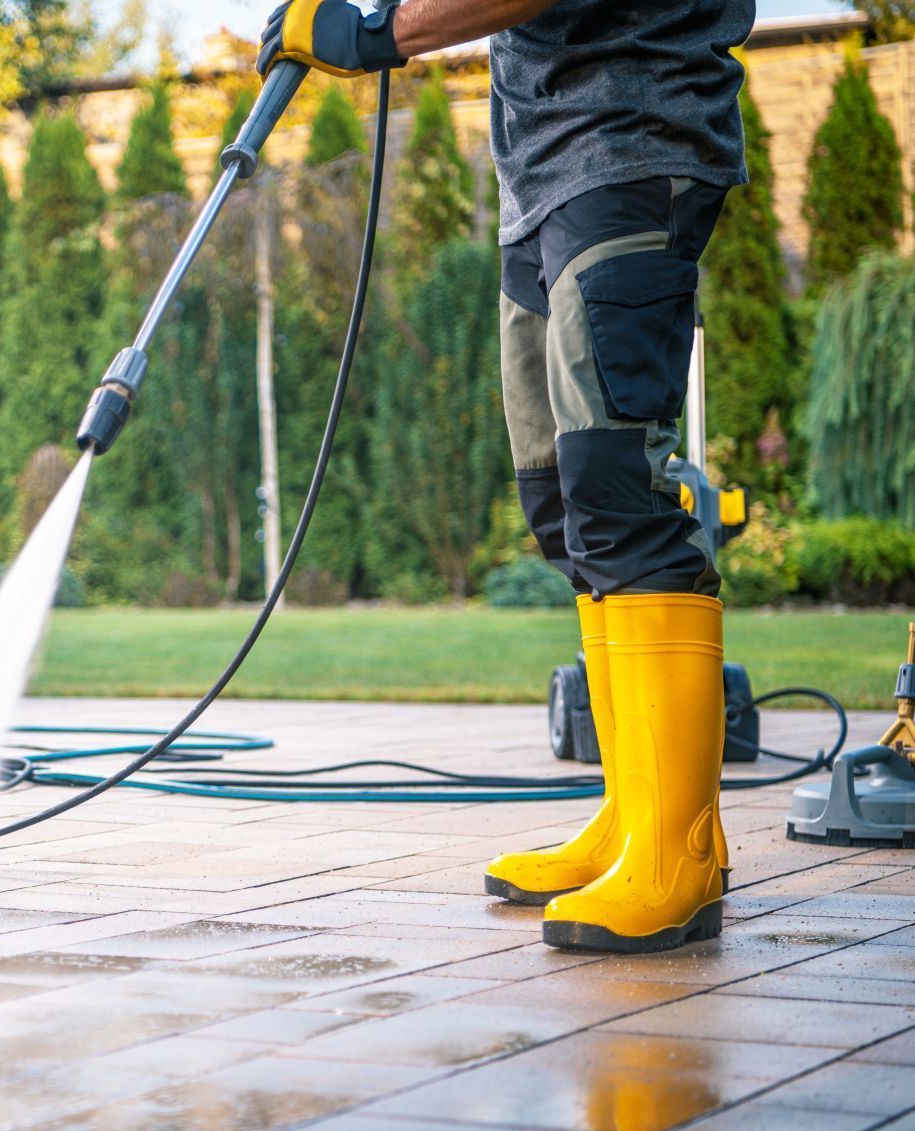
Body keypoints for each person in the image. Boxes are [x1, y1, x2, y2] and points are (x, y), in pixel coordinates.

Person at [259, 0, 756, 954]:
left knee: (618, 490)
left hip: (631, 144)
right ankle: (633, 819)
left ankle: (682, 853)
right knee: (562, 503)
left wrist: (380, 34)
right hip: (548, 174)